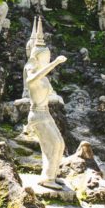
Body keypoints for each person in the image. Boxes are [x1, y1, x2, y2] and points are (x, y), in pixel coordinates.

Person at [25, 18, 67, 188]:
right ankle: (48, 178)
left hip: (46, 113)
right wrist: (55, 63)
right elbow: (33, 80)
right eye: (46, 58)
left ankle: (51, 174)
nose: (48, 60)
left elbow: (50, 94)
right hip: (37, 115)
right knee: (53, 144)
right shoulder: (32, 77)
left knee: (59, 144)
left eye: (50, 58)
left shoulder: (45, 80)